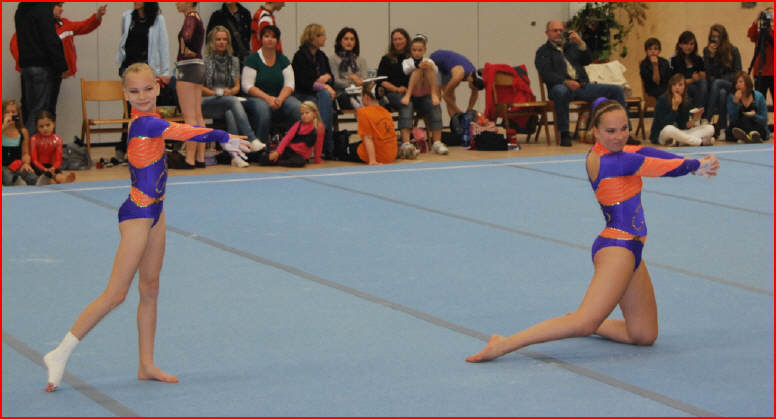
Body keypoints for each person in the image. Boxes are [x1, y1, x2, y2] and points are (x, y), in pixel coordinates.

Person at [42, 62, 250, 393]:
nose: (141, 96)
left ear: (157, 87)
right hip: (137, 214)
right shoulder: (144, 124)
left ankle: (146, 364)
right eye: (134, 91)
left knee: (150, 288)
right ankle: (60, 352)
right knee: (115, 294)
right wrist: (222, 136)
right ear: (125, 94)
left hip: (156, 213)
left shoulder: (151, 120)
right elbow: (183, 131)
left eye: (147, 89)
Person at [466, 99, 719, 364]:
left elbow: (645, 150)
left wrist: (689, 162)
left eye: (624, 128)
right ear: (595, 132)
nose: (619, 136)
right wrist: (695, 165)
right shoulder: (612, 162)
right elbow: (653, 164)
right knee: (583, 324)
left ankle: (588, 319)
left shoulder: (614, 152)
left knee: (643, 334)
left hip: (632, 249)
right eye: (611, 131)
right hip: (618, 249)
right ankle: (503, 343)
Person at [535, 20, 631, 147]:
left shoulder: (571, 47)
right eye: (555, 30)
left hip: (582, 86)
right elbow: (546, 73)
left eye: (561, 30)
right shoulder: (543, 51)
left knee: (616, 90)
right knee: (560, 91)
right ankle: (564, 133)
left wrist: (581, 43)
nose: (558, 33)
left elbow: (588, 60)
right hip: (560, 86)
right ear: (547, 33)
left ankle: (626, 132)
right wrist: (565, 82)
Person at [115, 2, 172, 160]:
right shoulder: (127, 16)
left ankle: (149, 146)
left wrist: (165, 72)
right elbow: (124, 41)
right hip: (129, 69)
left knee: (147, 108)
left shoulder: (158, 20)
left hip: (147, 69)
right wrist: (121, 64)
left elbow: (163, 46)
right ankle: (128, 146)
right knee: (131, 109)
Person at [201, 26, 261, 168]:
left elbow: (237, 86)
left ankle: (235, 157)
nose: (222, 42)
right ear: (212, 42)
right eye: (218, 39)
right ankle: (251, 138)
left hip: (227, 101)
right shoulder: (205, 61)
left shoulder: (234, 61)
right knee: (232, 102)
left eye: (224, 39)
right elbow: (199, 88)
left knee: (230, 112)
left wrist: (230, 92)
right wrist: (217, 93)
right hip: (208, 100)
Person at [10, 3, 106, 79]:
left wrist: (97, 16)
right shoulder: (34, 24)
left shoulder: (65, 24)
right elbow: (15, 45)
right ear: (50, 6)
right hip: (39, 72)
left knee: (48, 98)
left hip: (56, 73)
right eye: (59, 6)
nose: (62, 9)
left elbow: (84, 26)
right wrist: (29, 65)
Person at [241, 25, 301, 146]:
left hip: (280, 98)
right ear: (261, 39)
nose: (270, 39)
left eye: (273, 37)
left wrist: (280, 99)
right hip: (257, 99)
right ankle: (261, 147)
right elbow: (247, 85)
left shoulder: (283, 59)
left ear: (277, 41)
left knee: (297, 107)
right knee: (263, 109)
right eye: (266, 36)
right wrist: (268, 98)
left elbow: (290, 84)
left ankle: (295, 146)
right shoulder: (253, 59)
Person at [14, 3, 68, 136]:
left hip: (26, 66)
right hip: (42, 66)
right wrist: (61, 66)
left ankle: (30, 143)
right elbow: (50, 40)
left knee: (30, 108)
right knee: (41, 112)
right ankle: (26, 144)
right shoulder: (42, 10)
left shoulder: (20, 11)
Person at [292, 23, 336, 158]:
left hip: (318, 94)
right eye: (322, 35)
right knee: (320, 101)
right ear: (313, 38)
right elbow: (303, 82)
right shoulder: (300, 56)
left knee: (324, 97)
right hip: (303, 94)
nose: (325, 38)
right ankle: (324, 143)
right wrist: (323, 84)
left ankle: (319, 137)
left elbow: (330, 77)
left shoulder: (321, 56)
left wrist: (324, 82)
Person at [398, 35, 447, 156]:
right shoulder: (407, 61)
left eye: (420, 50)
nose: (417, 53)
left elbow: (436, 70)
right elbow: (405, 70)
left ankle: (437, 142)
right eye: (414, 50)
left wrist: (430, 66)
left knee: (434, 104)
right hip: (412, 95)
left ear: (424, 50)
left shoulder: (428, 61)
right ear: (411, 50)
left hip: (425, 95)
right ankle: (406, 144)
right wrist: (418, 66)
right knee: (418, 70)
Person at [175, 2, 207, 169]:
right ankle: (200, 157)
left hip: (187, 66)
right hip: (198, 65)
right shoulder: (197, 17)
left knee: (189, 116)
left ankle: (189, 159)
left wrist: (186, 48)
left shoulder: (190, 18)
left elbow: (187, 37)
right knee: (198, 115)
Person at [649, 74, 714, 146]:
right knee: (669, 128)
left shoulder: (686, 101)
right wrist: (675, 108)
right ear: (670, 87)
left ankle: (678, 142)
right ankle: (699, 142)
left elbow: (683, 126)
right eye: (674, 85)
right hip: (662, 134)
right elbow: (665, 124)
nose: (677, 87)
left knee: (710, 128)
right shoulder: (662, 100)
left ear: (684, 87)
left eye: (680, 85)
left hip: (679, 133)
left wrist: (694, 119)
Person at [703, 24, 742, 136]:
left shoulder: (733, 50)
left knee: (718, 83)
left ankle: (707, 118)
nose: (716, 39)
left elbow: (738, 72)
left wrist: (722, 79)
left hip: (731, 84)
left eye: (718, 36)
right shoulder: (707, 51)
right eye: (713, 36)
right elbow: (708, 73)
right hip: (715, 88)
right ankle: (723, 129)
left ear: (723, 37)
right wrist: (711, 57)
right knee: (722, 93)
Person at [258, 101, 324, 167]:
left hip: (301, 156)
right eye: (302, 114)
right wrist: (277, 152)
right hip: (289, 151)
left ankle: (280, 162)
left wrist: (317, 159)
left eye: (307, 113)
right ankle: (273, 158)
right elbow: (286, 139)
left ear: (314, 113)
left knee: (300, 162)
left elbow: (318, 145)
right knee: (264, 159)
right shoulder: (298, 124)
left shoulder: (319, 127)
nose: (304, 115)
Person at [345, 82, 397, 165]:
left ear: (366, 97)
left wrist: (372, 160)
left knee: (343, 148)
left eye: (361, 96)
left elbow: (368, 138)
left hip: (378, 156)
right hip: (391, 155)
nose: (361, 99)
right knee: (358, 143)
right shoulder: (386, 112)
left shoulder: (363, 112)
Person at [428, 49, 484, 119]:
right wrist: (460, 113)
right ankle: (434, 122)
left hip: (446, 67)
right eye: (473, 87)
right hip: (435, 62)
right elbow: (445, 96)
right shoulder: (458, 75)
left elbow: (474, 95)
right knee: (437, 97)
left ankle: (454, 122)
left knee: (451, 98)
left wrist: (468, 111)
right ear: (471, 80)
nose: (473, 89)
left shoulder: (474, 76)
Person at [29, 111, 75, 185]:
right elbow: (34, 160)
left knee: (58, 176)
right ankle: (52, 181)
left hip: (52, 167)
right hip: (38, 167)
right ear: (37, 128)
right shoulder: (34, 139)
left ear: (53, 124)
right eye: (41, 126)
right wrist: (44, 169)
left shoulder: (58, 140)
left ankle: (64, 180)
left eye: (48, 125)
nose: (45, 128)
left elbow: (58, 160)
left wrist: (53, 168)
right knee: (49, 179)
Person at [329, 27, 368, 110]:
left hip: (360, 92)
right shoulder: (334, 59)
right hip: (342, 94)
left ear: (355, 42)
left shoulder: (361, 60)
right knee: (355, 100)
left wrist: (357, 81)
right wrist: (352, 80)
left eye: (352, 39)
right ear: (340, 41)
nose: (349, 42)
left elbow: (364, 80)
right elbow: (335, 81)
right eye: (346, 39)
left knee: (370, 99)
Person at [2, 99, 38, 186]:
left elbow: (25, 153)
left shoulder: (23, 131)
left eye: (13, 112)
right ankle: (17, 182)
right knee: (8, 177)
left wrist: (26, 164)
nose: (11, 115)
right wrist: (4, 126)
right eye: (7, 112)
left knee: (31, 176)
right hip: (3, 166)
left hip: (17, 164)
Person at [670, 31, 708, 112]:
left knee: (703, 83)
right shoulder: (674, 60)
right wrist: (693, 80)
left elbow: (703, 76)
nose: (689, 47)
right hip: (682, 87)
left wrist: (700, 76)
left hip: (697, 86)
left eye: (691, 44)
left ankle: (698, 111)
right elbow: (676, 82)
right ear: (680, 45)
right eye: (685, 44)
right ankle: (698, 112)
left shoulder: (698, 59)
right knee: (694, 89)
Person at [727, 72, 770, 143]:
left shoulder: (759, 96)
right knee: (742, 122)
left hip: (756, 125)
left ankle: (747, 136)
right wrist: (735, 104)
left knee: (750, 122)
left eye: (740, 82)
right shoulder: (732, 97)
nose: (738, 85)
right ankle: (750, 136)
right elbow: (732, 119)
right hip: (739, 125)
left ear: (747, 83)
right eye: (736, 83)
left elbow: (764, 119)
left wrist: (754, 116)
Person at [747, 6, 774, 102]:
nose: (770, 17)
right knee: (759, 101)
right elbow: (750, 35)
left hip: (773, 71)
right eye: (767, 14)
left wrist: (772, 27)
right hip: (760, 71)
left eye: (772, 14)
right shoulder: (760, 33)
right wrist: (756, 19)